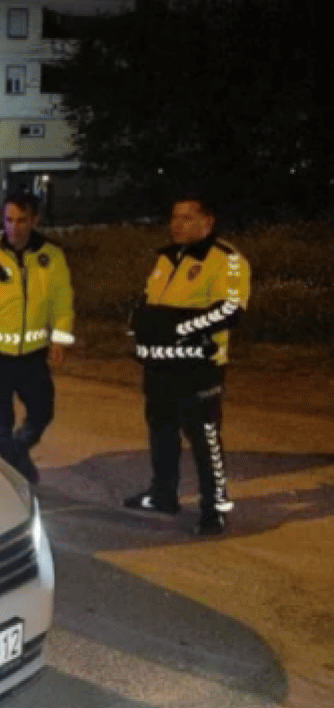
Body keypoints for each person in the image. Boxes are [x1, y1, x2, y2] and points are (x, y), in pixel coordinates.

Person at [125, 192, 251, 535]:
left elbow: (230, 310)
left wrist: (179, 329)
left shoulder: (227, 260)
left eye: (186, 218)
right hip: (160, 365)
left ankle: (214, 509)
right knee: (161, 431)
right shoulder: (167, 258)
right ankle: (163, 494)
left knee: (204, 438)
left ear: (207, 222)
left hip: (199, 367)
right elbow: (149, 300)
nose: (176, 224)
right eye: (174, 217)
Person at [0, 192, 75, 483]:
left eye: (21, 220)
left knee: (42, 413)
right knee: (1, 423)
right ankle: (8, 480)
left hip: (33, 355)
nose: (14, 227)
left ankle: (17, 452)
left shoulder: (52, 256)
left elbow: (62, 301)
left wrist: (60, 339)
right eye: (9, 220)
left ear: (34, 220)